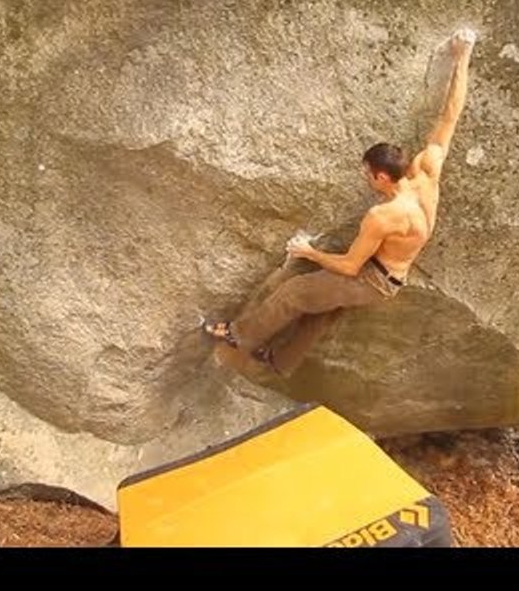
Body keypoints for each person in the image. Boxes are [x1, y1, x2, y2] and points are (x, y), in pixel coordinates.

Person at [203, 28, 478, 375]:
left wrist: (308, 252)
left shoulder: (383, 215)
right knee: (324, 306)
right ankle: (281, 361)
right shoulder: (427, 169)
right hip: (388, 277)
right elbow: (450, 115)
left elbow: (349, 268)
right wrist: (463, 54)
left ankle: (237, 336)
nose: (365, 177)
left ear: (381, 177)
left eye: (367, 173)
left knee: (295, 292)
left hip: (371, 279)